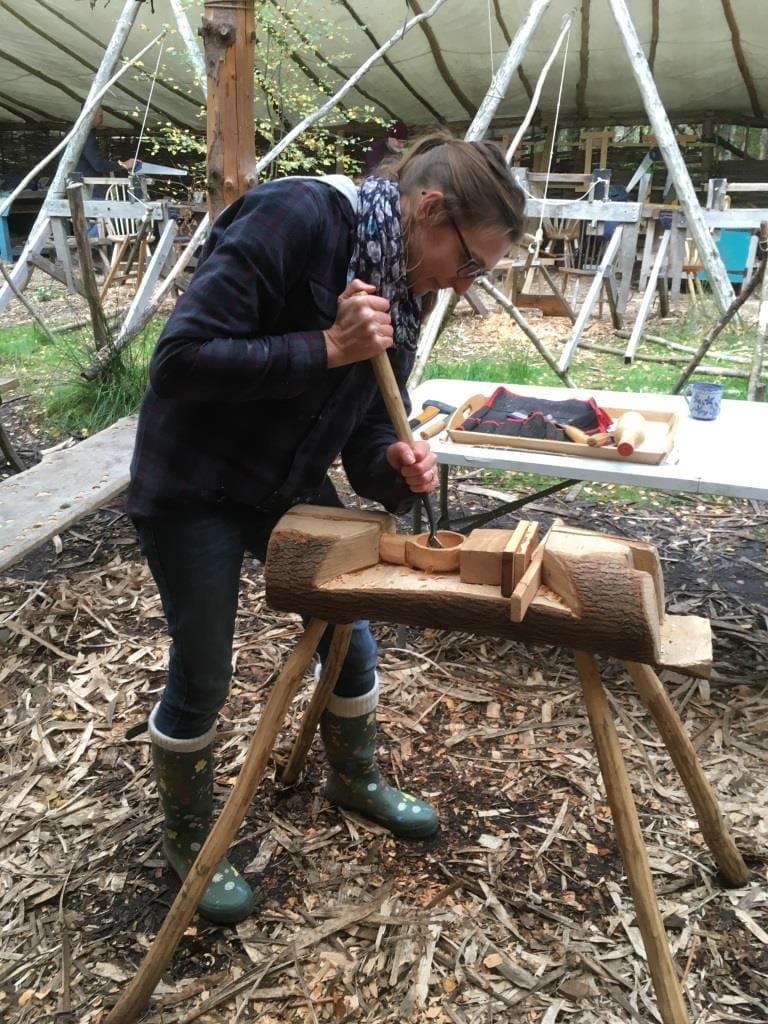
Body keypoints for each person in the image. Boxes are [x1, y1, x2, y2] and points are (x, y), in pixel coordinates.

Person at [127, 132, 525, 924]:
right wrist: (326, 345)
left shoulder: (405, 289)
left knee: (350, 631)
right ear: (429, 208)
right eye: (470, 262)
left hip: (284, 481)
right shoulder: (301, 215)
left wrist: (397, 467)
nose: (466, 286)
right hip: (194, 480)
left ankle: (354, 776)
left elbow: (366, 436)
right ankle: (187, 831)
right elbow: (178, 361)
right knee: (204, 668)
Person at [74, 106, 136, 197]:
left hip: (75, 184)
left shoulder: (73, 131)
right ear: (91, 115)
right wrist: (124, 164)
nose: (102, 120)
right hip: (87, 186)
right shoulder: (85, 135)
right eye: (100, 116)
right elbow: (98, 165)